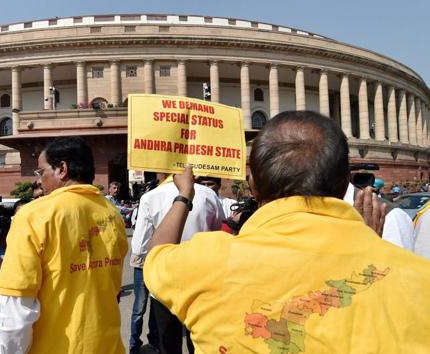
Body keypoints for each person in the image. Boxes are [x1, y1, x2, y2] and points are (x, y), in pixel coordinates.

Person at [143, 111, 430, 353]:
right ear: (345, 184)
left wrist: (184, 195)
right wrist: (372, 252)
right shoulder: (418, 279)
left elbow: (156, 253)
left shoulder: (205, 262)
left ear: (253, 185)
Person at [0, 136, 128, 354]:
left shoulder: (34, 215)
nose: (39, 181)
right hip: (107, 346)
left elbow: (16, 308)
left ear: (62, 169)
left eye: (41, 172)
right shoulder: (111, 213)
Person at [131, 172, 223, 354]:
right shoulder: (208, 194)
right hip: (201, 282)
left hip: (164, 284)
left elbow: (139, 247)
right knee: (198, 342)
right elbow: (217, 232)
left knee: (168, 343)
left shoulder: (150, 197)